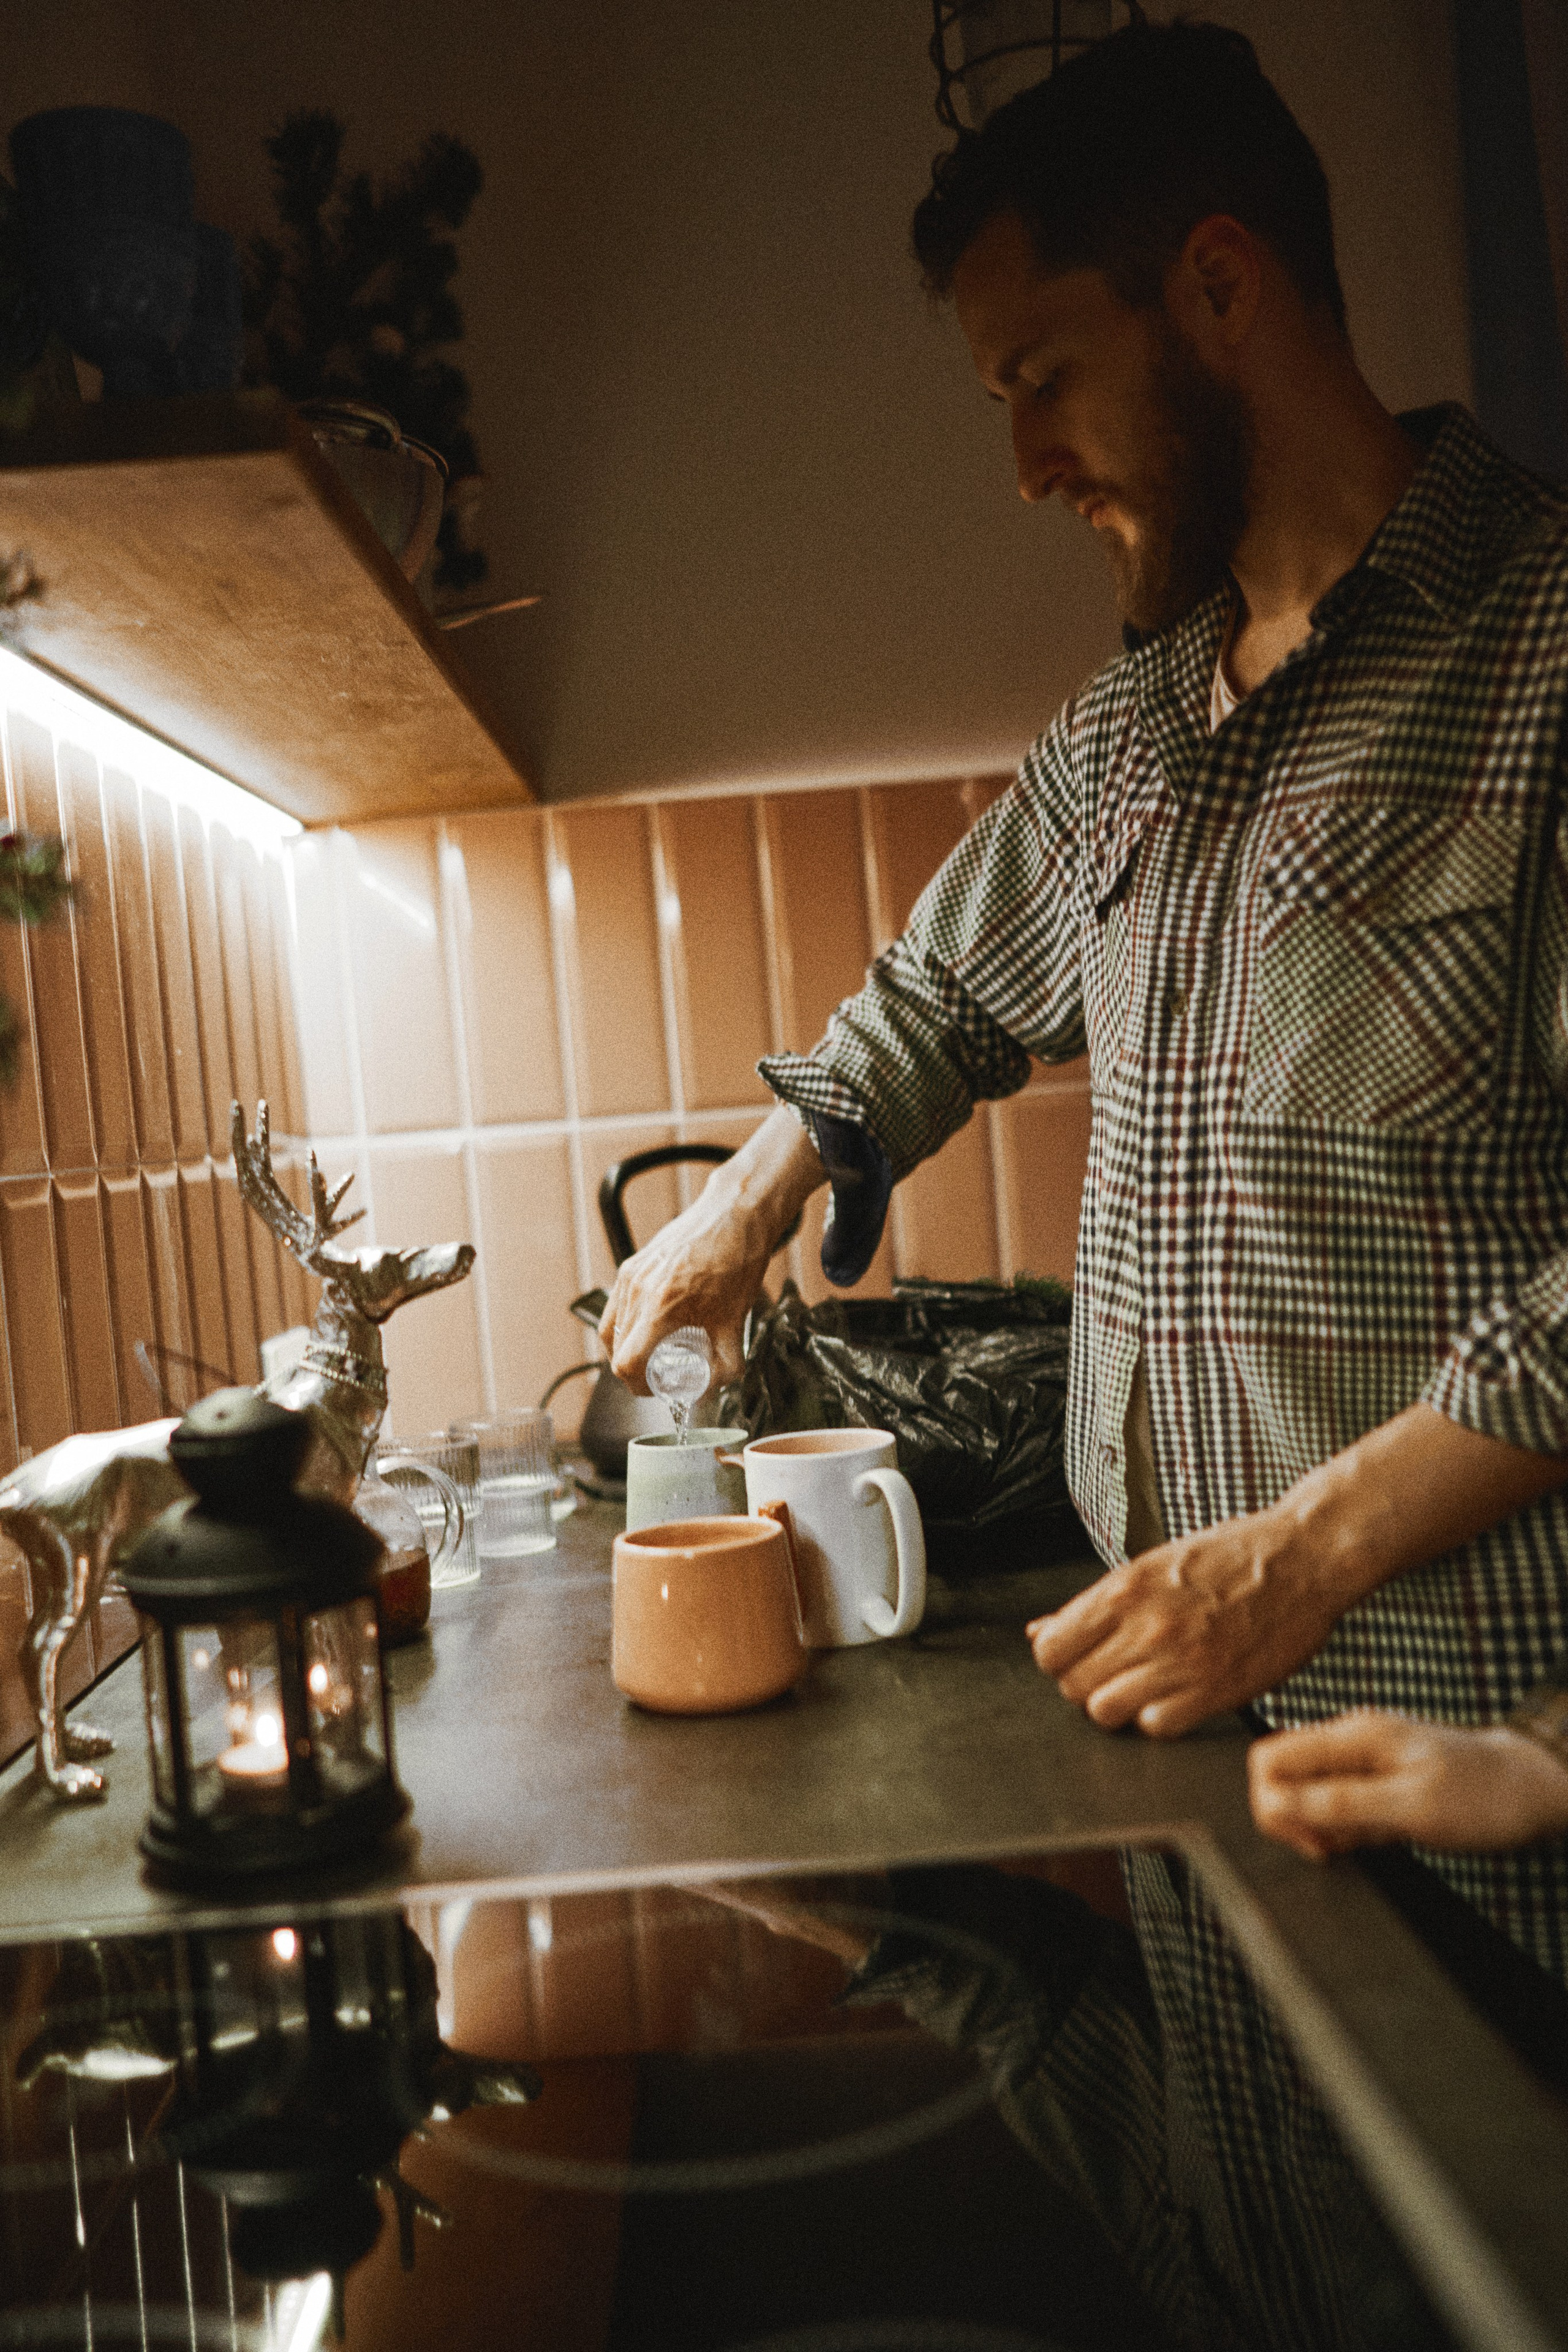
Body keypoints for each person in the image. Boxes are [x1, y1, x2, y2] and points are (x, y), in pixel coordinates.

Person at [601, 21, 1568, 1978]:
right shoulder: (1132, 731)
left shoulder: (1544, 650)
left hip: (1484, 1821)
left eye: (1044, 379)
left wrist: (1297, 1564)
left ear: (1220, 286)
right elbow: (935, 994)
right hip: (1192, 1784)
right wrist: (741, 1203)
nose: (1026, 467)